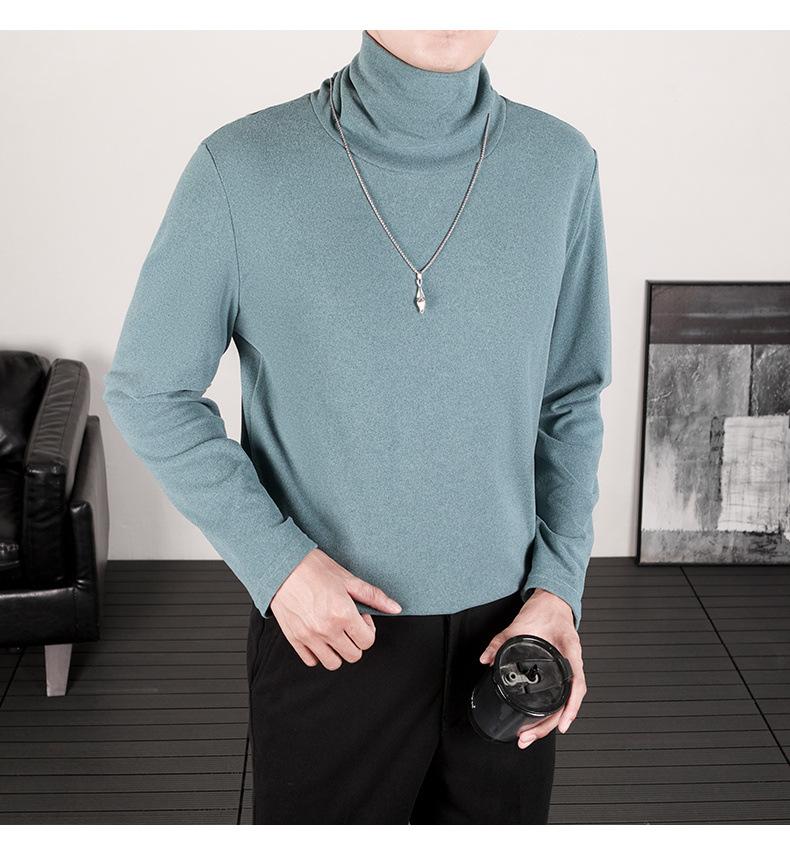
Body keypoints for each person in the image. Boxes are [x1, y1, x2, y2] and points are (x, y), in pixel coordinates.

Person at [103, 29, 612, 824]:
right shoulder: (241, 168)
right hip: (330, 633)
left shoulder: (562, 165)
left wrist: (560, 589)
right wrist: (277, 564)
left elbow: (571, 398)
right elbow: (148, 390)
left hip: (515, 631)